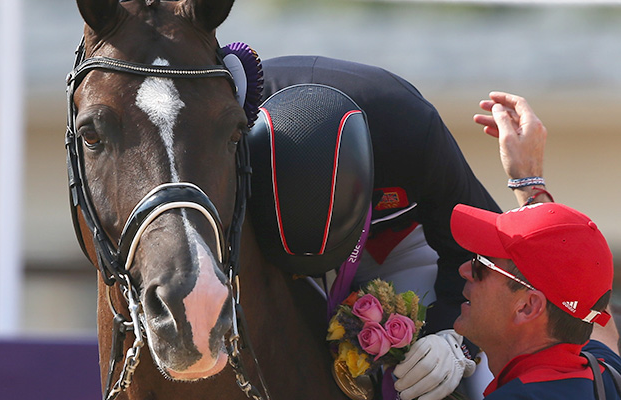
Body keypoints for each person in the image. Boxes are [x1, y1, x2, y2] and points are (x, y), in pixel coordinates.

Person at [260, 56, 501, 399]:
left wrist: (455, 339)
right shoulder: (239, 117)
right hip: (287, 259)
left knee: (465, 376)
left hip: (399, 248)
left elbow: (483, 241)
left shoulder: (412, 129)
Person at [445, 91, 621, 399]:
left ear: (529, 305)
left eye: (481, 266)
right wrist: (529, 181)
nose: (464, 270)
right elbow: (595, 314)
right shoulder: (602, 369)